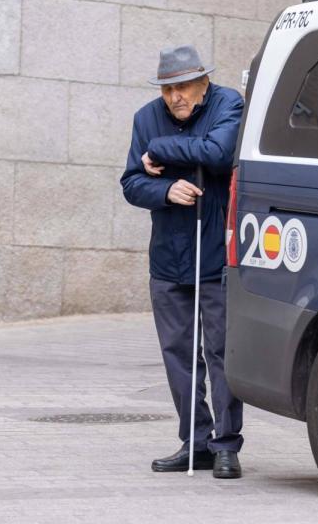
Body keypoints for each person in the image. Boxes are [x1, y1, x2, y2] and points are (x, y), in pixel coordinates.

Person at [120, 44, 244, 479]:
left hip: (215, 254)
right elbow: (132, 182)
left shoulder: (228, 102)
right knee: (178, 354)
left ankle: (227, 445)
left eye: (185, 86)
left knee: (221, 351)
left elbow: (219, 153)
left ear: (204, 82)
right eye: (169, 88)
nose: (176, 96)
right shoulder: (145, 118)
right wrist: (165, 191)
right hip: (168, 258)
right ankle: (196, 442)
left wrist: (160, 149)